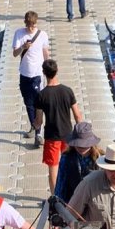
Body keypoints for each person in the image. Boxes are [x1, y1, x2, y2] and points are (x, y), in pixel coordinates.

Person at [34, 59, 82, 193]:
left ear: (44, 73)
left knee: (53, 168)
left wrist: (34, 125)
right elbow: (78, 115)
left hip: (51, 137)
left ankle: (56, 198)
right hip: (68, 136)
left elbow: (39, 121)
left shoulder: (41, 95)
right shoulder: (68, 91)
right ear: (57, 71)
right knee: (70, 166)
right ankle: (72, 193)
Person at [11, 11, 51, 145]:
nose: (30, 28)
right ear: (25, 23)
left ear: (36, 23)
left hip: (37, 74)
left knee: (38, 103)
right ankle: (34, 126)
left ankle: (38, 134)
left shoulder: (42, 35)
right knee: (28, 104)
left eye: (33, 25)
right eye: (28, 25)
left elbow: (45, 52)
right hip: (24, 74)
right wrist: (23, 47)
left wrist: (48, 70)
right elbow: (15, 54)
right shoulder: (19, 33)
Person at [54, 121, 101, 204]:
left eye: (84, 144)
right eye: (78, 144)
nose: (81, 147)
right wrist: (58, 203)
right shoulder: (66, 157)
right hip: (73, 201)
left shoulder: (100, 158)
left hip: (94, 202)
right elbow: (61, 183)